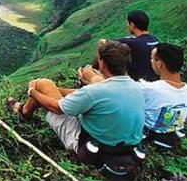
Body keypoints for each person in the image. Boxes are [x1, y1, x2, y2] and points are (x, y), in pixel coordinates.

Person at [8, 41, 145, 156]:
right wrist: (56, 90)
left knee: (42, 84)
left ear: (102, 64)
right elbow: (95, 95)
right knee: (48, 87)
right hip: (128, 149)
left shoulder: (95, 91)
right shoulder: (137, 88)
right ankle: (26, 108)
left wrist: (32, 90)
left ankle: (24, 110)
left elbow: (57, 108)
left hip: (92, 145)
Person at [78, 10, 159, 85]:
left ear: (132, 25)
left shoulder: (132, 42)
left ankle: (92, 69)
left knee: (86, 71)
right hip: (154, 82)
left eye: (128, 23)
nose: (127, 25)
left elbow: (102, 42)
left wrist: (94, 66)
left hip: (136, 83)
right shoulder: (155, 40)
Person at [139, 43, 187, 148]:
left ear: (159, 64)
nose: (151, 61)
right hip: (170, 133)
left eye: (152, 59)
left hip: (150, 134)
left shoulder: (149, 89)